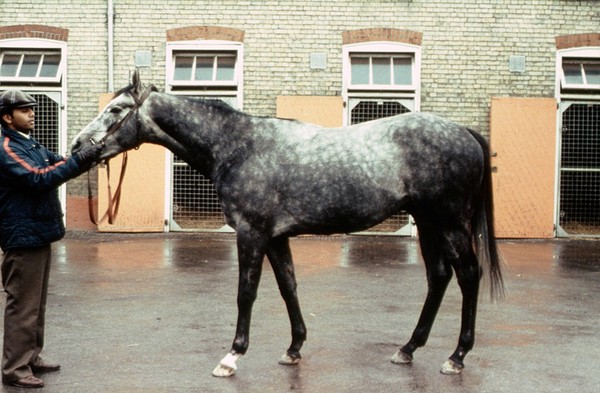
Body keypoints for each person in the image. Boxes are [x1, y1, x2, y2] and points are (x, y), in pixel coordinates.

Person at [0, 90, 102, 388]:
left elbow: (58, 163)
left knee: (36, 303)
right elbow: (40, 177)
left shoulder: (29, 144)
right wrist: (78, 161)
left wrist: (91, 156)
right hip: (22, 237)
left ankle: (31, 357)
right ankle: (15, 370)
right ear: (7, 117)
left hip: (38, 233)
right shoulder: (6, 148)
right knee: (23, 306)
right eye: (25, 110)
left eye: (32, 109)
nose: (32, 113)